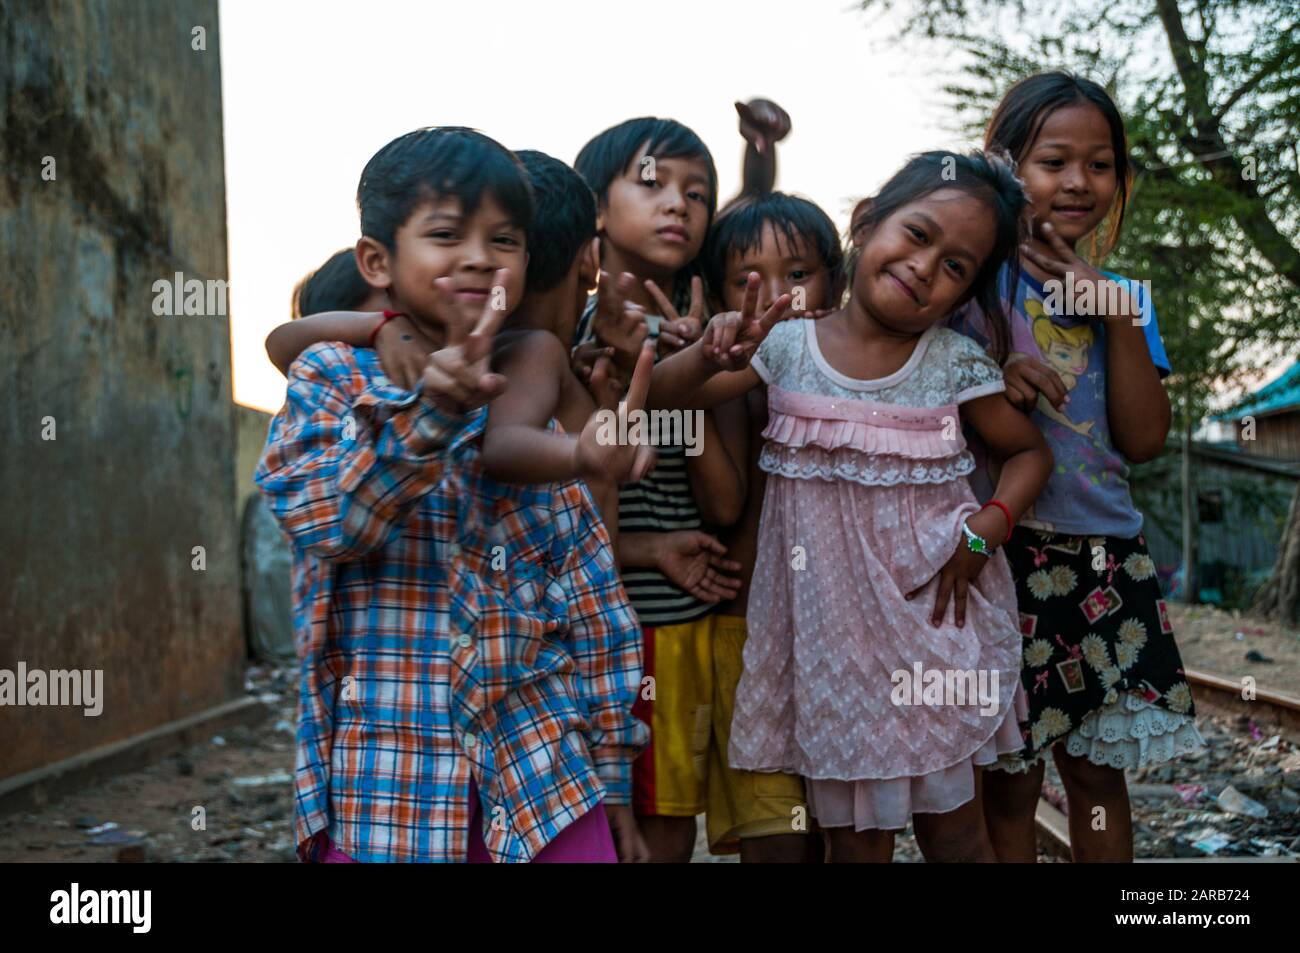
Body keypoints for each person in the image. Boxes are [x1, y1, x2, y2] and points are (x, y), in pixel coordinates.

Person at [256, 126, 648, 863]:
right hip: (388, 797)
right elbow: (337, 523)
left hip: (545, 785)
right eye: (445, 234)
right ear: (378, 259)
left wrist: (614, 782)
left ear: (527, 262)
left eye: (504, 239)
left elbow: (591, 606)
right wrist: (431, 412)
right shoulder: (334, 380)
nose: (477, 257)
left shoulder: (528, 395)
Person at [648, 151, 1053, 862]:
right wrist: (710, 356)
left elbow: (1029, 455)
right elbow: (663, 400)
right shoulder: (784, 347)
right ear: (866, 224)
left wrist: (987, 532)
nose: (928, 267)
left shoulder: (954, 363)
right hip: (832, 648)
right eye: (919, 235)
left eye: (957, 266)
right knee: (855, 841)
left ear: (964, 294)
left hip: (936, 628)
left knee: (958, 833)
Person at [953, 72, 1204, 863]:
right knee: (1009, 779)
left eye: (1099, 166)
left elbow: (1143, 438)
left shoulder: (1127, 297)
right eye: (1053, 160)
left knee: (1095, 778)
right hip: (1001, 559)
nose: (1076, 182)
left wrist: (1117, 316)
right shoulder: (969, 286)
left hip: (1105, 562)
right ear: (1005, 165)